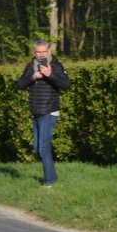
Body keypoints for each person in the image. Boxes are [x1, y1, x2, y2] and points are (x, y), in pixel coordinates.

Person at [15, 40, 70, 186]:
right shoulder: (30, 66)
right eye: (38, 52)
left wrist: (50, 74)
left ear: (49, 51)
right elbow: (20, 84)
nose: (41, 55)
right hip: (36, 111)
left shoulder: (56, 65)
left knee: (43, 148)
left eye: (44, 51)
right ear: (34, 53)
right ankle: (52, 177)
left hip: (49, 111)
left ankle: (49, 182)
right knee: (38, 148)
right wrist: (33, 77)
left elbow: (66, 84)